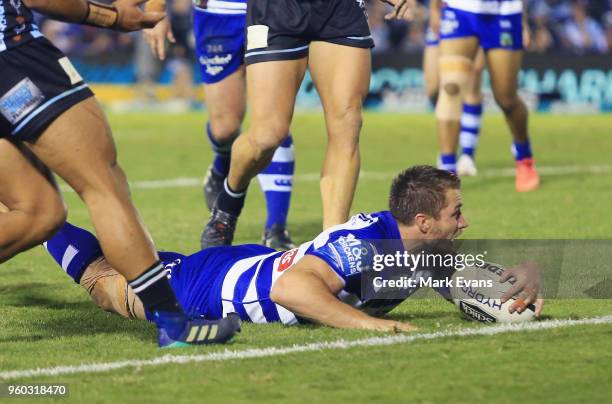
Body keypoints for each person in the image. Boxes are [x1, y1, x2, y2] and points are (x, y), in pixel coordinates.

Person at [0, 0, 239, 347]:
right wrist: (109, 16)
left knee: (39, 214)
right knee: (104, 183)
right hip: (13, 57)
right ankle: (173, 323)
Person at [43, 166, 544, 331]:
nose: (465, 222)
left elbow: (461, 276)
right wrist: (373, 325)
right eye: (456, 213)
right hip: (205, 294)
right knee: (105, 284)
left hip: (243, 263)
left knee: (148, 261)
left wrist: (519, 279)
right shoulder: (365, 246)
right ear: (422, 222)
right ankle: (39, 212)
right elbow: (290, 289)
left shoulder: (418, 247)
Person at [198, 0, 420, 247]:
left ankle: (332, 242)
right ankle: (228, 205)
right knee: (268, 135)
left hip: (340, 8)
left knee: (347, 122)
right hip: (278, 9)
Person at [143, 0, 297, 250]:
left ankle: (276, 228)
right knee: (224, 128)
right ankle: (221, 165)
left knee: (273, 122)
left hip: (275, 11)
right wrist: (156, 8)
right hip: (219, 12)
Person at [435, 0, 540, 192]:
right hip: (460, 8)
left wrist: (522, 19)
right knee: (451, 87)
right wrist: (434, 10)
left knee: (506, 98)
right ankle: (447, 171)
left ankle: (524, 155)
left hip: (503, 12)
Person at [423, 0, 486, 176]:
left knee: (472, 80)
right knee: (434, 87)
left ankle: (466, 154)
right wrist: (434, 10)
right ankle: (449, 140)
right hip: (444, 15)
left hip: (474, 14)